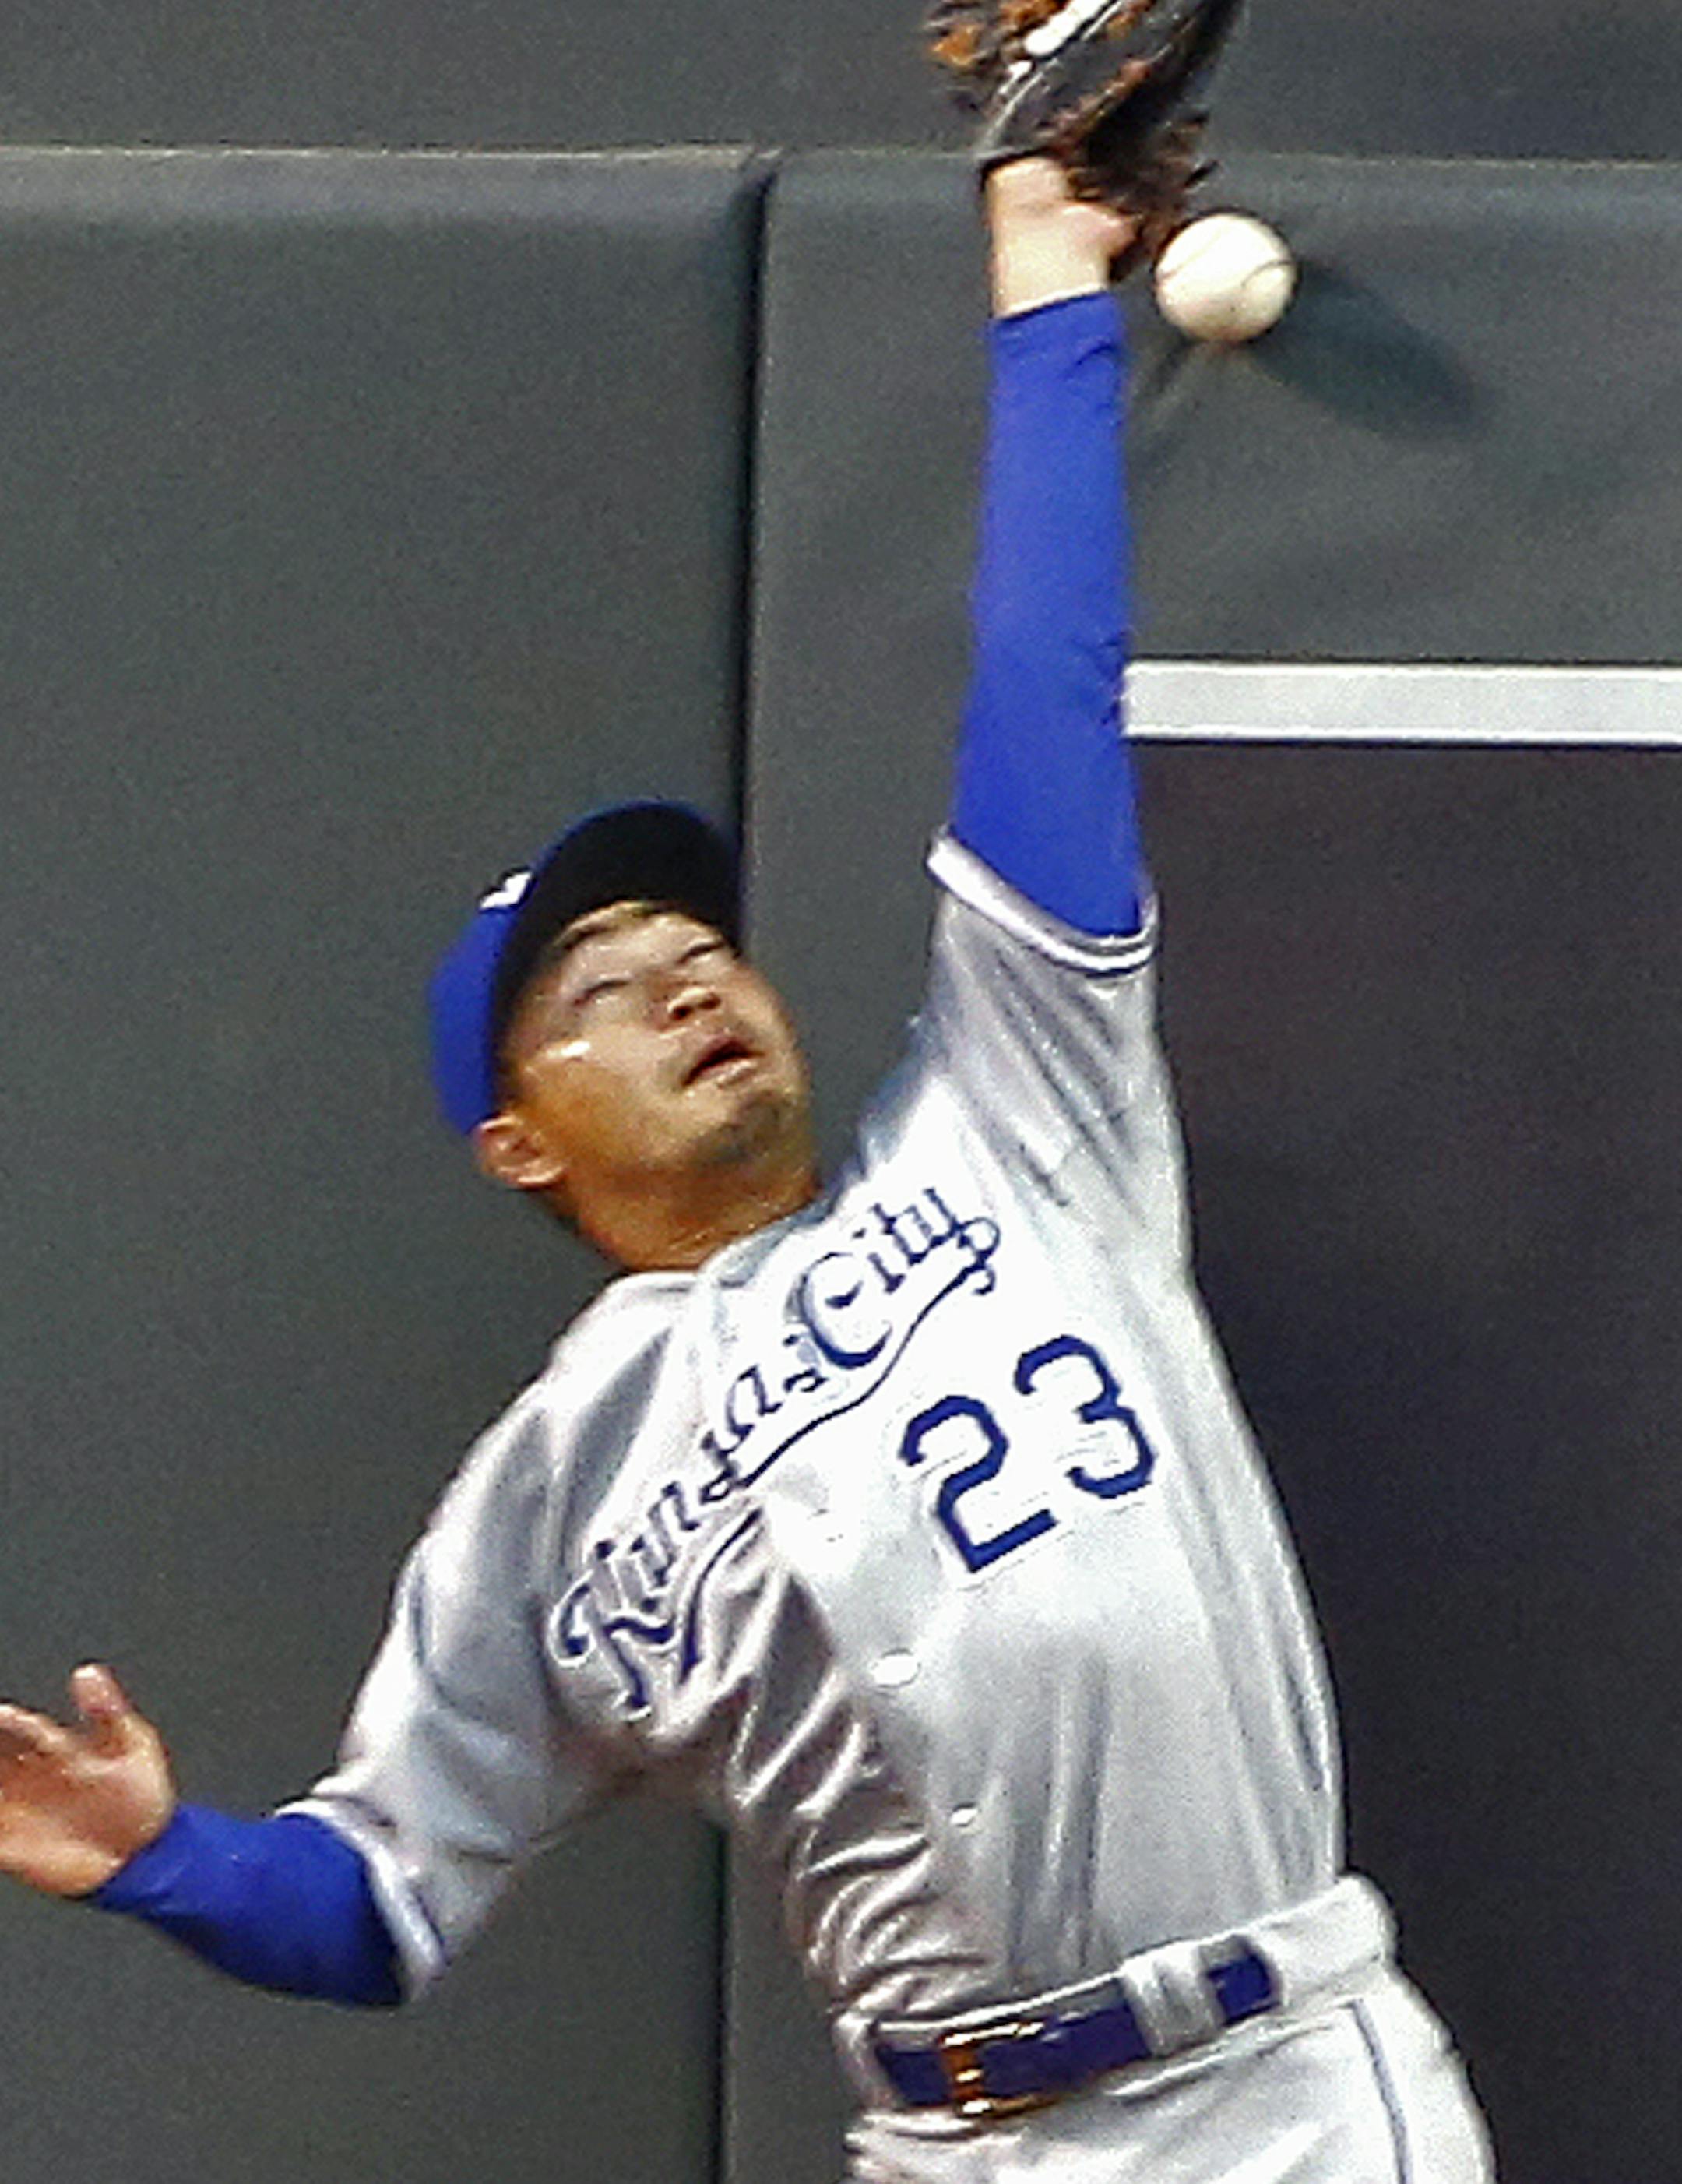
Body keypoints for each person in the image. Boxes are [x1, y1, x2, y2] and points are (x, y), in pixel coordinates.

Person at [0, 157, 1493, 2181]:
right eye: (605, 988)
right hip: (944, 2142)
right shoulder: (549, 1493)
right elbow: (377, 1897)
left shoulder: (1014, 1109)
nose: (689, 979)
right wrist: (155, 1855)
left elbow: (1043, 689)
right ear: (517, 1133)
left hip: (1277, 2096)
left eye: (700, 947)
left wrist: (1045, 291)